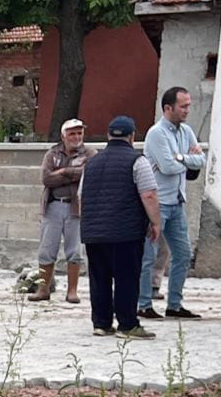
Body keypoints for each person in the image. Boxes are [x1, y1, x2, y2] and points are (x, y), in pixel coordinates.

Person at [77, 116, 161, 339]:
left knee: (99, 278)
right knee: (126, 277)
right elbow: (149, 194)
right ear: (132, 136)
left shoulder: (91, 163)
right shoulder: (137, 161)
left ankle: (101, 323)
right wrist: (155, 222)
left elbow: (81, 197)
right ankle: (127, 324)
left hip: (94, 232)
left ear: (108, 136)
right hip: (125, 231)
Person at [139, 87, 207, 318]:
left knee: (183, 253)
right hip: (158, 202)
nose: (187, 110)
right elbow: (167, 167)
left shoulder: (186, 131)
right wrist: (186, 159)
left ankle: (175, 304)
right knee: (149, 255)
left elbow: (201, 160)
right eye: (183, 106)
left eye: (188, 105)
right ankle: (143, 303)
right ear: (168, 108)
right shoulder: (157, 133)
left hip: (177, 201)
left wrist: (180, 157)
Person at [33, 118, 88, 304]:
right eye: (72, 133)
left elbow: (88, 173)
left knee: (75, 250)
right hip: (54, 205)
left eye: (79, 133)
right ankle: (43, 289)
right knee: (47, 249)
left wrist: (63, 172)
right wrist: (71, 172)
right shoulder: (52, 153)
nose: (77, 137)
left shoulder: (89, 152)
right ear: (64, 135)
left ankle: (72, 291)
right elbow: (47, 179)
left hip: (77, 207)